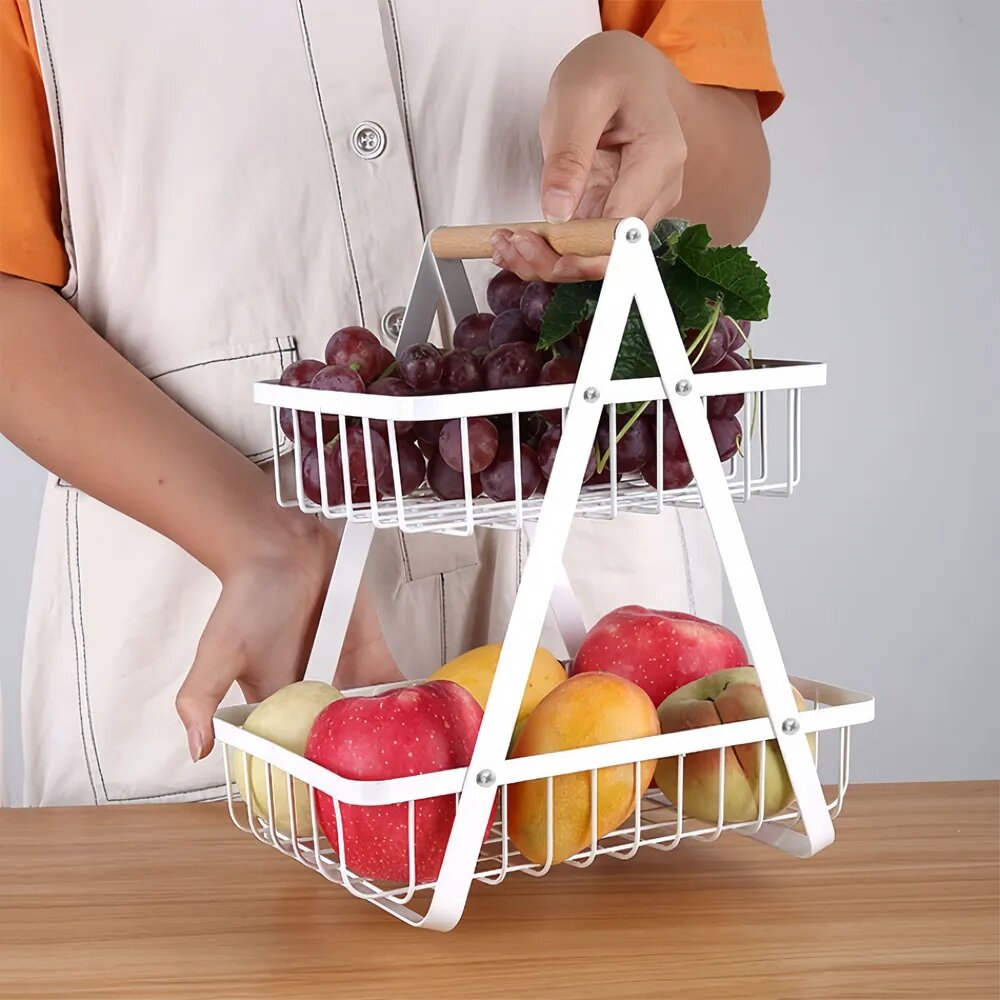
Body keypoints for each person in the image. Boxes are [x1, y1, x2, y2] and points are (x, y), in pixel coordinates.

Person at [0, 0, 782, 807]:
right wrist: (256, 536)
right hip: (223, 623)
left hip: (602, 641)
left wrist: (661, 98)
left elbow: (725, 189)